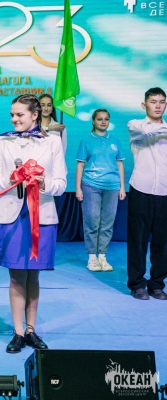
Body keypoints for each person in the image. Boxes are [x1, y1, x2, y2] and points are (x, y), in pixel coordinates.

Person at [0, 94, 66, 353]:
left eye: (19, 114)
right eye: (12, 114)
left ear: (35, 115)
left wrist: (43, 183)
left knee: (34, 274)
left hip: (41, 217)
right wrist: (11, 180)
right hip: (11, 215)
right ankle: (18, 332)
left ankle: (31, 330)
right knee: (15, 276)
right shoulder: (3, 141)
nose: (14, 119)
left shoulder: (53, 142)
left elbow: (61, 184)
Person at [127, 87, 167, 301]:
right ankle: (137, 284)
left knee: (163, 242)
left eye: (162, 102)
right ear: (144, 105)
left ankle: (157, 284)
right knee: (138, 241)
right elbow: (147, 133)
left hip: (164, 191)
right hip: (141, 190)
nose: (158, 106)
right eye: (153, 101)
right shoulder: (135, 125)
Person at [75, 109, 126, 273]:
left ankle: (102, 257)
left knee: (107, 222)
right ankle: (92, 257)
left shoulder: (115, 141)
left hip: (112, 187)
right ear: (93, 121)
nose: (103, 122)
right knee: (92, 219)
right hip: (91, 185)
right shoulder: (86, 141)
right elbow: (80, 165)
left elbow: (119, 164)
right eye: (99, 119)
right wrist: (78, 188)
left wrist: (122, 187)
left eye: (106, 119)